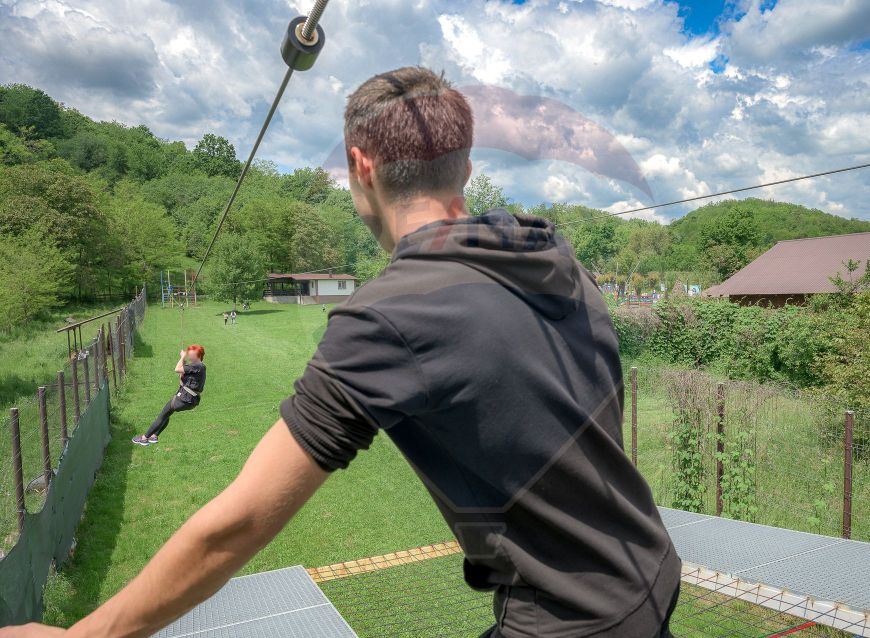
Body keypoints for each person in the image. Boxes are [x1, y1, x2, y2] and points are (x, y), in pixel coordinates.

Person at [2, 67, 678, 638]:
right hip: (648, 571)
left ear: (360, 168)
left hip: (570, 618)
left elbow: (233, 526)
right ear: (466, 167)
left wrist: (84, 634)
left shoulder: (393, 313)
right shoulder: (548, 250)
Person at [131, 345, 206, 446]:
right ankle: (154, 436)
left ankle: (144, 438)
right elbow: (181, 378)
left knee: (162, 416)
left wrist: (182, 357)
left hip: (184, 399)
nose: (189, 355)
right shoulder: (200, 367)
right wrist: (183, 363)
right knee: (167, 414)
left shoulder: (196, 366)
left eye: (191, 354)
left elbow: (177, 369)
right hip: (190, 400)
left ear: (198, 356)